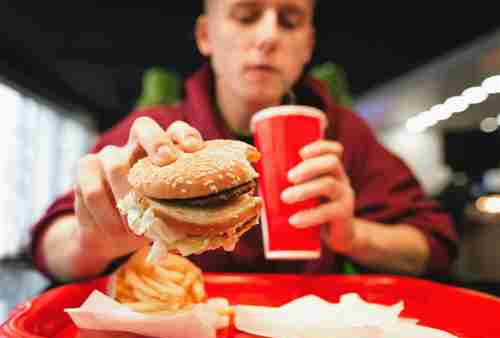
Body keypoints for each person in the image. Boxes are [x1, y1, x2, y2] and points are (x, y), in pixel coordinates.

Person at [30, 0, 458, 283]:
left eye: (289, 21)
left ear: (307, 44)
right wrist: (95, 240)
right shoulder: (152, 133)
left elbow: (435, 248)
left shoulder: (346, 134)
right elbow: (50, 244)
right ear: (205, 36)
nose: (268, 37)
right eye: (246, 15)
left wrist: (354, 237)